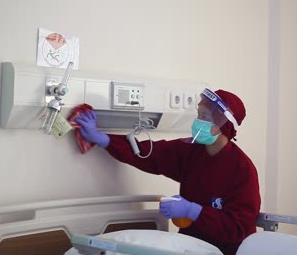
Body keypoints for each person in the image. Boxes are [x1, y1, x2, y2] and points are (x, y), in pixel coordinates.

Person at [74, 88, 261, 255]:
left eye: (204, 117)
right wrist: (103, 139)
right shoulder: (191, 150)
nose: (197, 122)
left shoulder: (242, 170)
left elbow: (240, 226)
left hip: (226, 250)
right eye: (198, 114)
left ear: (223, 126)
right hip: (189, 243)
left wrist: (193, 211)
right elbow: (149, 154)